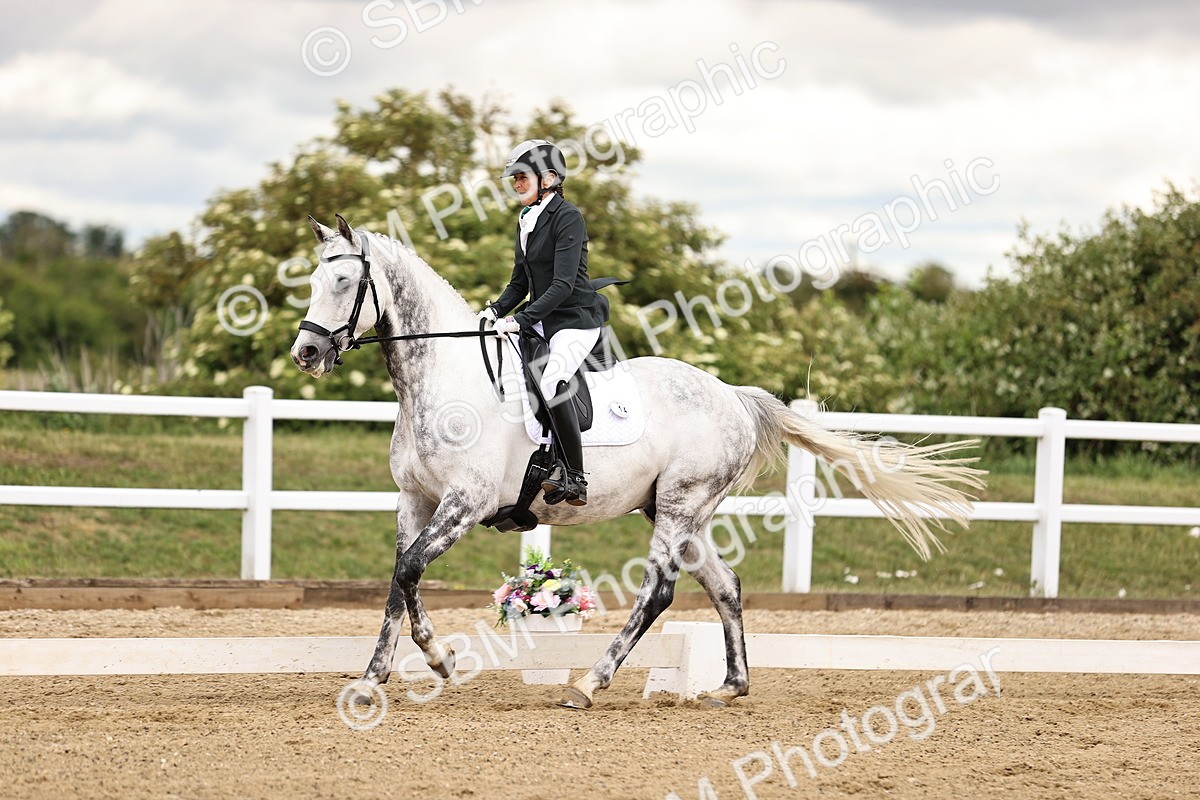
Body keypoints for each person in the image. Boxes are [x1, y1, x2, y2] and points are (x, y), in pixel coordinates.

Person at [479, 139, 609, 507]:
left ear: (549, 178)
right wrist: (495, 311)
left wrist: (520, 319)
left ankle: (575, 477)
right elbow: (520, 282)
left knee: (552, 378)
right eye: (514, 178)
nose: (516, 184)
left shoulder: (568, 217)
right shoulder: (525, 219)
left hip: (574, 319)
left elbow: (562, 285)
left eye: (522, 177)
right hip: (542, 318)